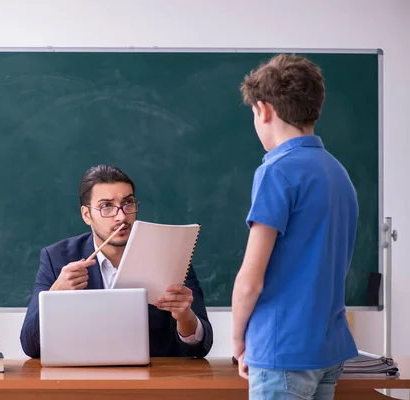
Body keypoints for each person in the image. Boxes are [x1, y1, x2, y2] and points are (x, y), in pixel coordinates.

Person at [232, 53, 359, 399]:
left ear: (264, 110)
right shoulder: (337, 173)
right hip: (327, 348)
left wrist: (238, 340)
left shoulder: (276, 170)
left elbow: (250, 280)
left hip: (282, 348)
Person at [20, 164, 213, 358]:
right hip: (82, 380)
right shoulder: (57, 259)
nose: (121, 216)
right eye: (107, 206)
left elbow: (200, 347)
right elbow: (30, 346)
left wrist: (185, 317)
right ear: (87, 215)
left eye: (128, 203)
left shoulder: (168, 254)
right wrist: (56, 296)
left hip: (154, 381)